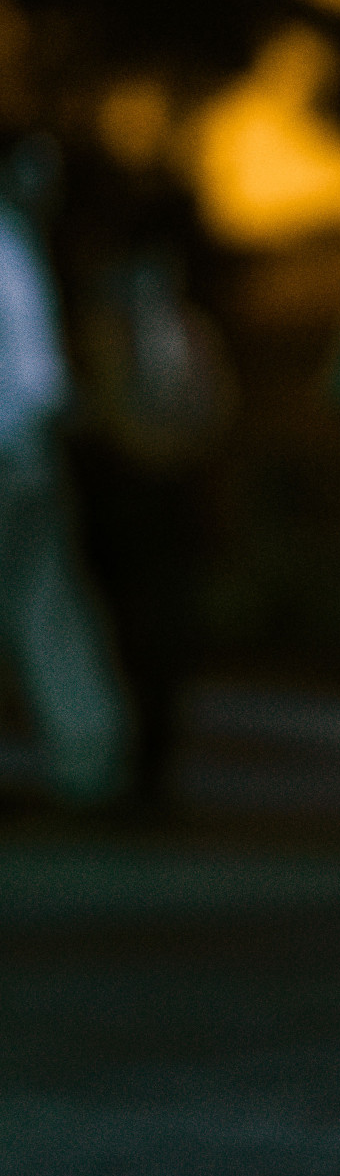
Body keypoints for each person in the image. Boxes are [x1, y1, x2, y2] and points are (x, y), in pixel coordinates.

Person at [0, 135, 131, 805]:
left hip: (16, 453)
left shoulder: (17, 245)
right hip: (22, 452)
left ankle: (90, 756)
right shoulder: (14, 248)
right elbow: (44, 377)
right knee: (47, 604)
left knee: (44, 603)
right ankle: (89, 754)